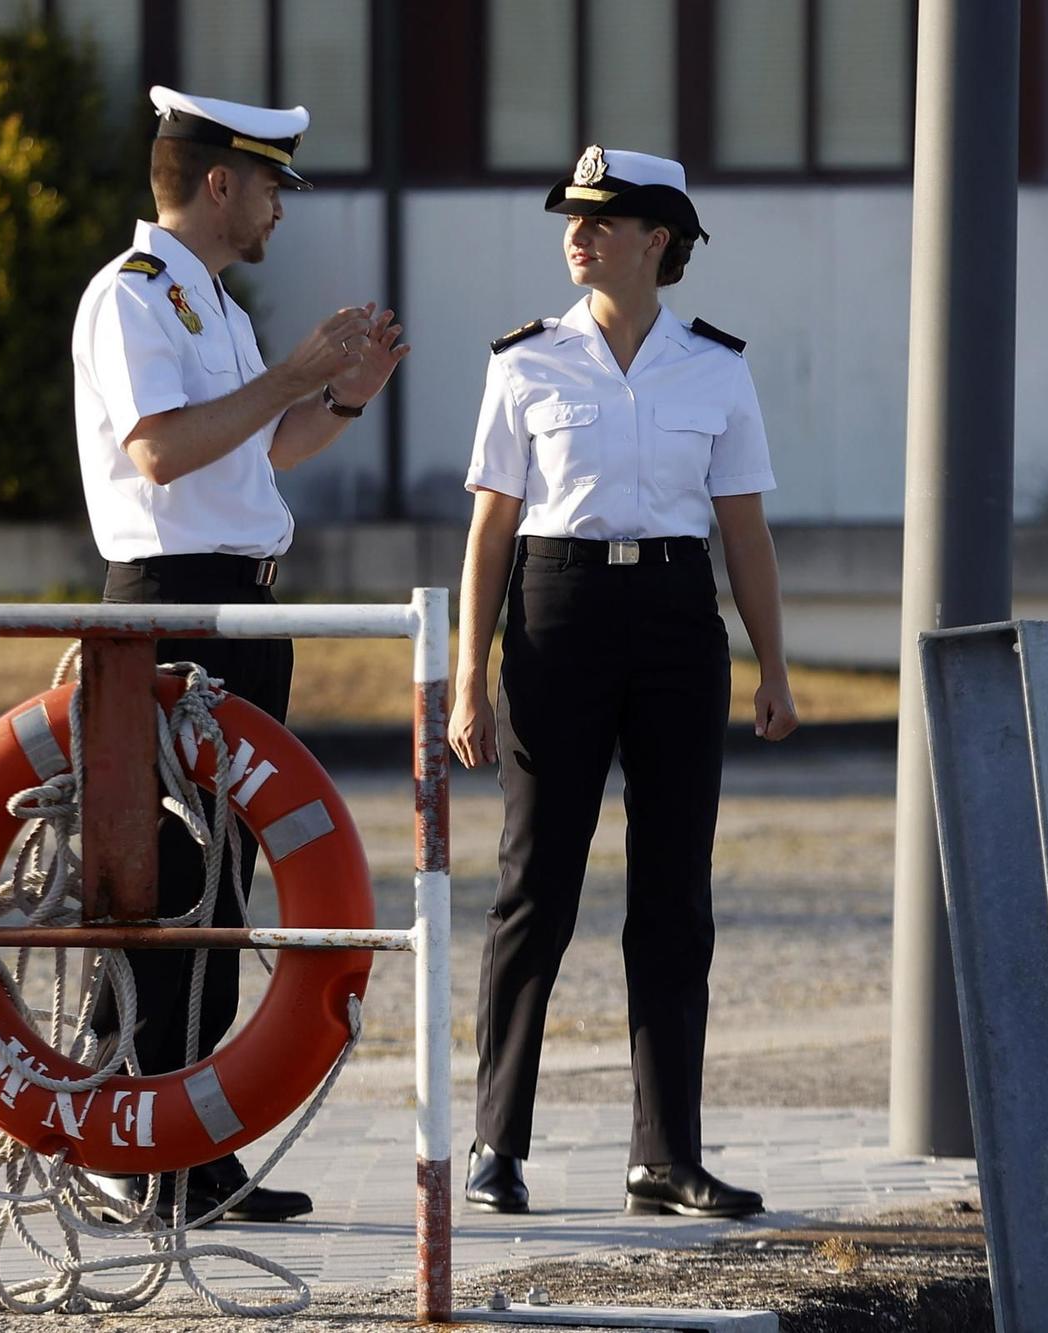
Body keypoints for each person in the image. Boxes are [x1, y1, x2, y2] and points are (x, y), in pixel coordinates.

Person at [69, 87, 408, 1222]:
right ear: (219, 181)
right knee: (162, 883)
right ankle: (126, 1141)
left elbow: (256, 460)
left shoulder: (212, 304)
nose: (277, 207)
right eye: (268, 184)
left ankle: (192, 1146)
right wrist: (287, 374)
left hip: (245, 611)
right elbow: (162, 453)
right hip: (167, 611)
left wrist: (344, 399)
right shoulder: (134, 300)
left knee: (224, 886)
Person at [449, 145, 798, 1219]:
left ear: (659, 240)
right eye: (571, 218)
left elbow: (743, 530)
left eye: (603, 219)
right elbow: (489, 529)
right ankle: (495, 1143)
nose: (577, 233)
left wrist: (773, 664)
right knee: (533, 890)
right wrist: (466, 676)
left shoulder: (716, 367)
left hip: (674, 622)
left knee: (671, 901)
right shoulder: (524, 361)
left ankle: (665, 1155)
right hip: (555, 617)